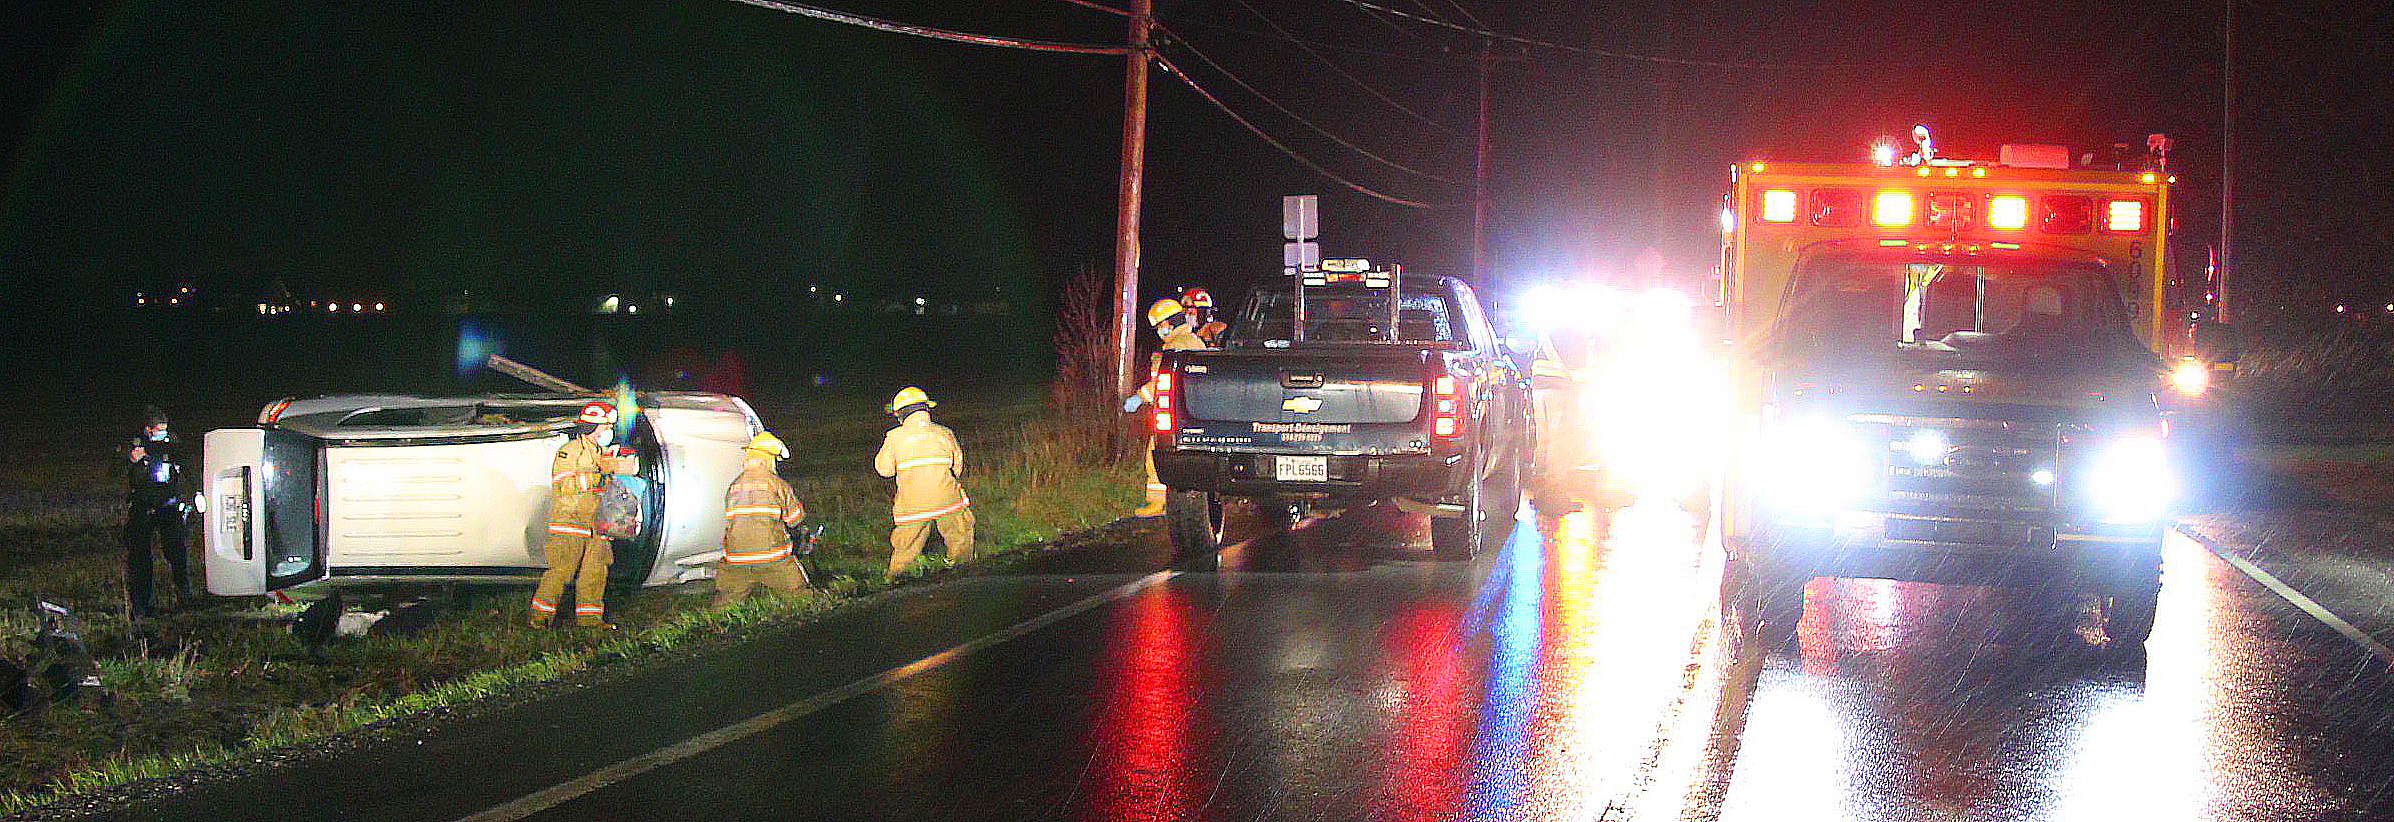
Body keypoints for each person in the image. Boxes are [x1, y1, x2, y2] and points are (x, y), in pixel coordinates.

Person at [531, 401, 635, 629]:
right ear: (589, 427)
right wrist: (597, 475)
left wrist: (620, 467)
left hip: (597, 525)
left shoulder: (603, 454)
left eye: (610, 427)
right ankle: (540, 619)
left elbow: (611, 489)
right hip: (571, 524)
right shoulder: (570, 452)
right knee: (561, 572)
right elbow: (563, 484)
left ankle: (590, 623)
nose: (608, 432)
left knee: (595, 573)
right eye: (604, 426)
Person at [1124, 298, 1211, 516]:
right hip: (1191, 412)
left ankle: (1156, 502)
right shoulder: (1193, 341)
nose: (1158, 331)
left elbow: (1164, 383)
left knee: (1155, 455)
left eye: (1159, 326)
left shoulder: (1175, 346)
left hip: (1171, 412)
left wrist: (1140, 397)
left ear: (1168, 324)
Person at [877, 387, 974, 576]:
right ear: (926, 410)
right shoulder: (944, 433)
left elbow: (884, 470)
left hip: (912, 506)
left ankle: (895, 578)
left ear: (900, 414)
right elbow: (958, 466)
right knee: (961, 533)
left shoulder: (894, 437)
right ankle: (962, 571)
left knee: (906, 546)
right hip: (948, 501)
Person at [717, 432, 809, 604]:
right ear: (768, 459)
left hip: (736, 560)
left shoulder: (734, 486)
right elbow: (795, 518)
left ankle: (711, 627)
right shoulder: (777, 484)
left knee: (727, 602)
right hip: (772, 558)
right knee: (800, 596)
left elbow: (731, 520)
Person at [122, 408, 192, 619]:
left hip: (168, 505)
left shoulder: (172, 443)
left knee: (176, 552)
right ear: (147, 430)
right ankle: (140, 606)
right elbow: (115, 467)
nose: (163, 434)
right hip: (142, 507)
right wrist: (131, 459)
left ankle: (183, 595)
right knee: (139, 559)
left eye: (165, 430)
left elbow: (183, 462)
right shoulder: (134, 445)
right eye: (158, 431)